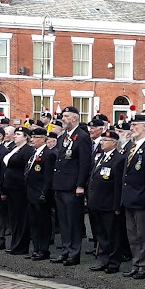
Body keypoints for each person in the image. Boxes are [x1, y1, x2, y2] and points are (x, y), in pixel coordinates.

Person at [51, 106, 91, 266]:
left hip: (73, 186)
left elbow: (84, 163)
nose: (63, 118)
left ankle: (74, 253)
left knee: (73, 220)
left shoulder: (82, 137)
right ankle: (66, 250)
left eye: (66, 116)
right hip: (60, 185)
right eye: (63, 115)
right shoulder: (62, 137)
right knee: (64, 221)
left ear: (75, 118)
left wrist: (80, 185)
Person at [121, 114, 145, 279]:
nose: (132, 128)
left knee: (144, 235)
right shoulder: (131, 147)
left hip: (141, 197)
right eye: (132, 125)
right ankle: (136, 263)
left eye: (135, 125)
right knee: (132, 234)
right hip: (129, 196)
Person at [87, 130, 125, 274]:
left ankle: (114, 262)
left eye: (105, 140)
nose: (101, 143)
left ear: (114, 143)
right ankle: (104, 259)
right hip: (96, 202)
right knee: (100, 234)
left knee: (112, 235)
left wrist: (117, 206)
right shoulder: (100, 157)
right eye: (101, 140)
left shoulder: (118, 159)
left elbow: (118, 185)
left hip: (109, 204)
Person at [25, 128, 56, 261]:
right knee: (34, 222)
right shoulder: (34, 153)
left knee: (43, 223)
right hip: (31, 193)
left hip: (40, 194)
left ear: (43, 139)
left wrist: (44, 193)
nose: (32, 140)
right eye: (32, 137)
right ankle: (36, 248)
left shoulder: (48, 154)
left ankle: (43, 250)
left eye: (35, 137)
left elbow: (48, 177)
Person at [3, 126, 34, 255]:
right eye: (14, 134)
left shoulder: (27, 150)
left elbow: (27, 170)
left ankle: (20, 246)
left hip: (19, 187)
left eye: (18, 134)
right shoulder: (14, 149)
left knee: (21, 217)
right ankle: (14, 243)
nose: (15, 136)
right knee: (13, 217)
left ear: (26, 137)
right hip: (10, 186)